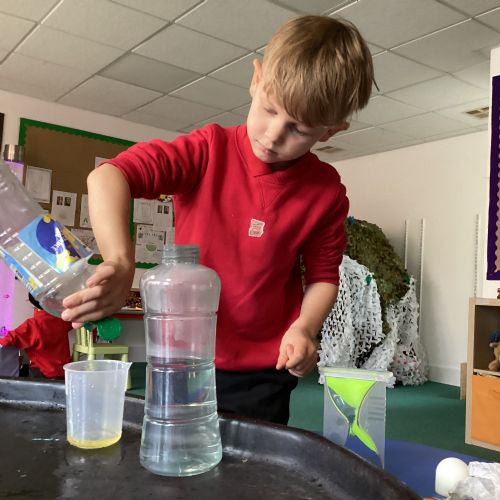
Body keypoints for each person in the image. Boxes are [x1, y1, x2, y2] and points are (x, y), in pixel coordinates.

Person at [61, 15, 374, 424]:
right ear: (255, 80)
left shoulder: (326, 191)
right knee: (176, 454)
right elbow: (109, 176)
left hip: (264, 371)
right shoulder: (207, 151)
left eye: (298, 129)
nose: (273, 135)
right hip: (183, 355)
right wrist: (120, 261)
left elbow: (323, 277)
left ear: (330, 131)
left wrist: (304, 329)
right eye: (269, 109)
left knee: (253, 460)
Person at [0, 294, 72, 379]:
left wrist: (3, 332)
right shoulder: (61, 318)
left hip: (43, 374)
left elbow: (10, 339)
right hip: (64, 371)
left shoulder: (34, 324)